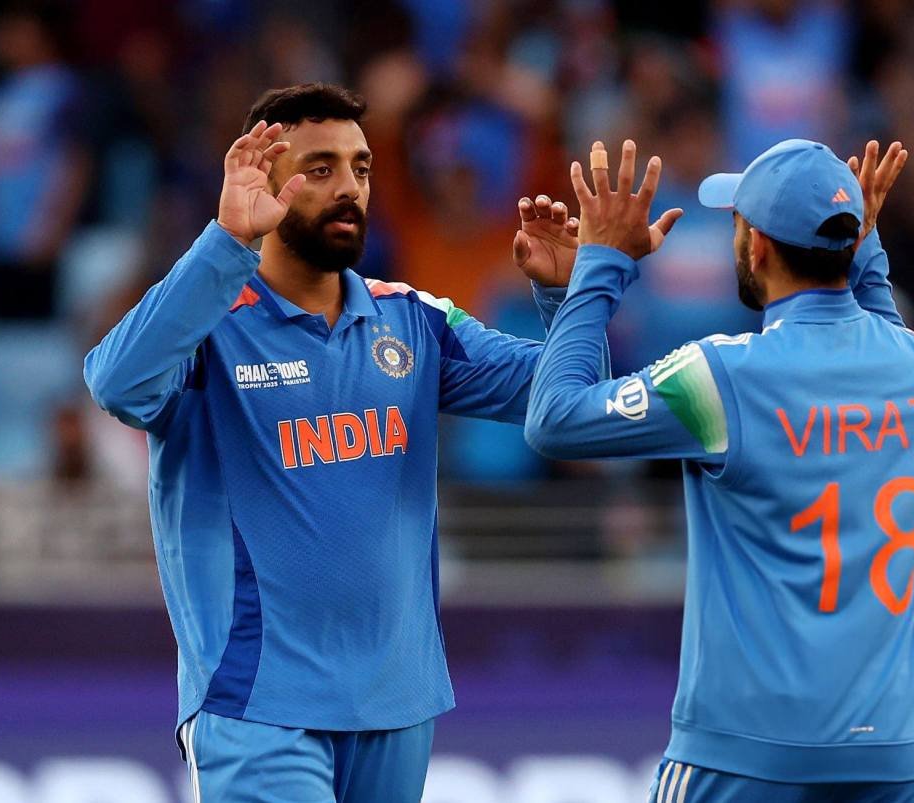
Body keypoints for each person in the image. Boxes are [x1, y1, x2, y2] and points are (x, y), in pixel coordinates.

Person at [84, 83, 600, 802]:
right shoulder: (208, 326)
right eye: (320, 168)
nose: (349, 187)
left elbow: (573, 402)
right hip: (259, 707)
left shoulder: (413, 320)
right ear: (262, 180)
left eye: (360, 168)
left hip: (396, 705)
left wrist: (571, 298)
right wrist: (226, 242)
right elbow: (115, 383)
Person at [525, 138, 914, 802]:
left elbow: (553, 419)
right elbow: (875, 313)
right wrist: (860, 244)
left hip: (746, 758)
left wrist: (596, 268)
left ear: (758, 249)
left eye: (737, 223)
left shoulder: (724, 377)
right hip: (897, 760)